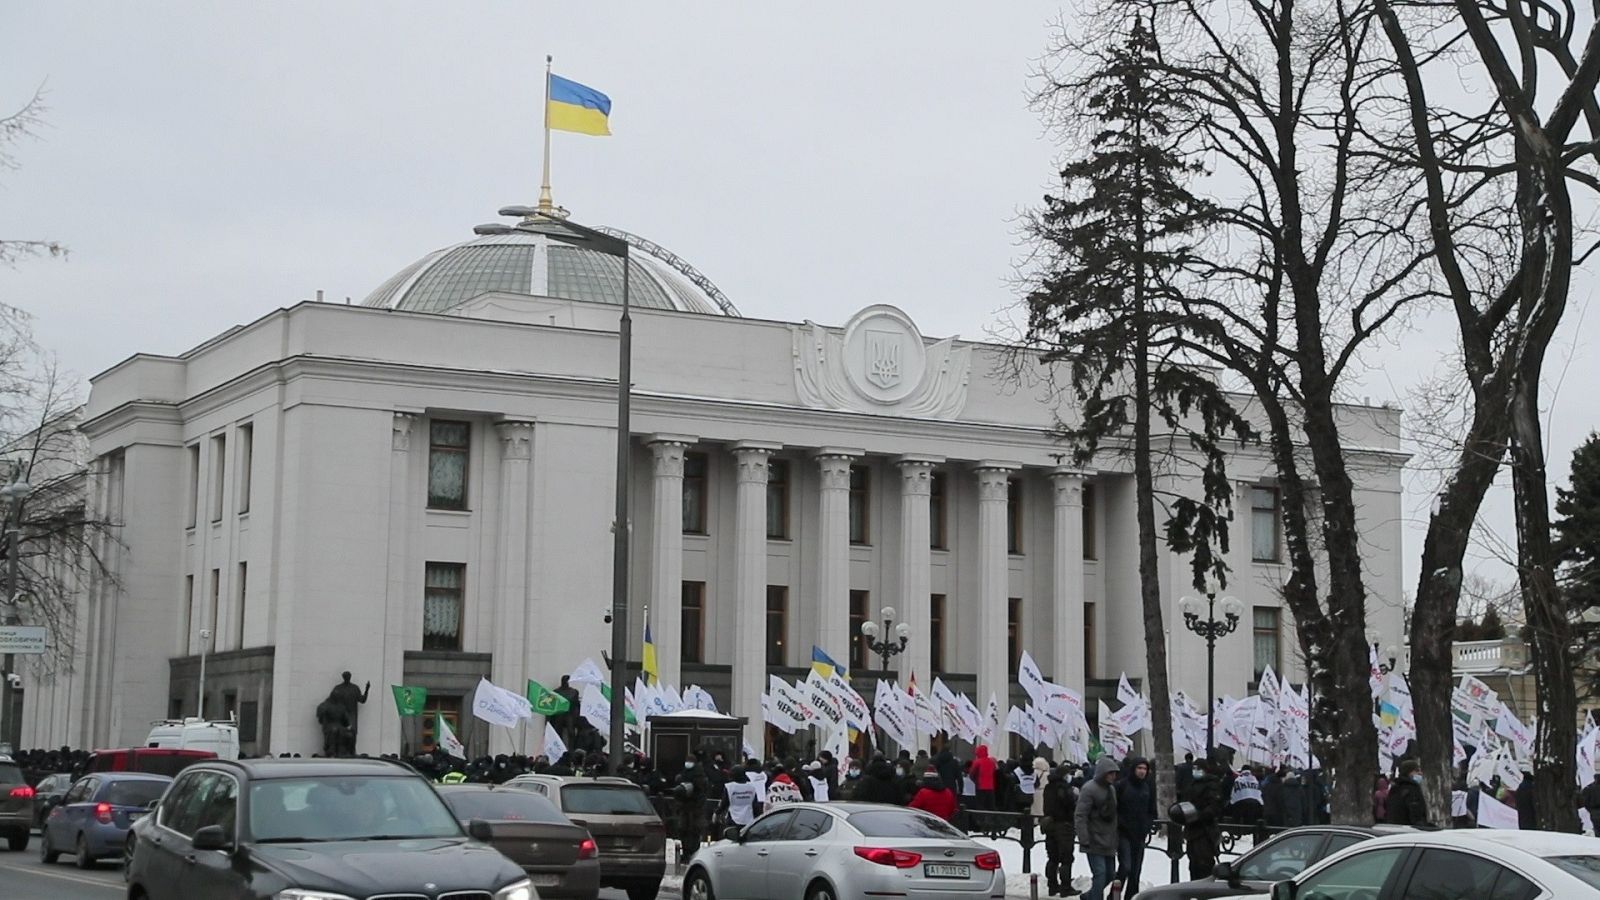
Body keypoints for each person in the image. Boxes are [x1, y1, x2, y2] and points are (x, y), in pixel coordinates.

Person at [1075, 756, 1120, 900]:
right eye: (1110, 773)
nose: (1113, 776)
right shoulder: (1089, 789)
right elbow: (1081, 814)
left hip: (1109, 839)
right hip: (1094, 838)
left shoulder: (1111, 789)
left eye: (1115, 773)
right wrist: (1084, 837)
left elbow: (1113, 813)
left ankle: (1089, 896)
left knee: (1110, 874)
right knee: (1100, 874)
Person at [1116, 758, 1156, 898]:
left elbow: (1151, 810)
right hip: (1124, 833)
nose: (1142, 771)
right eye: (1139, 768)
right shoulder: (1122, 785)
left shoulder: (1147, 787)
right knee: (1125, 866)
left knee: (1136, 871)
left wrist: (1147, 824)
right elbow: (1115, 808)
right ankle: (1114, 894)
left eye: (1145, 769)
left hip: (1139, 834)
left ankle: (1131, 896)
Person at [1182, 757, 1227, 881]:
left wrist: (1200, 815)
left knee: (1204, 864)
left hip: (1205, 831)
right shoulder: (1192, 784)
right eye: (1194, 768)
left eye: (1198, 769)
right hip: (1192, 829)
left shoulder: (1212, 784)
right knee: (1194, 864)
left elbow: (1214, 806)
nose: (1195, 771)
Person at [1043, 763, 1079, 898]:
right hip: (1063, 825)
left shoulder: (1048, 787)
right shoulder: (1064, 788)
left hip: (1049, 824)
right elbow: (1069, 804)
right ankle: (1065, 887)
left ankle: (1052, 886)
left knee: (1052, 857)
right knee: (1066, 858)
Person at [1384, 759, 1430, 826]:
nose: (1420, 773)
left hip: (1394, 828)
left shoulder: (1395, 788)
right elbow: (1415, 813)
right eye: (1417, 771)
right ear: (1408, 772)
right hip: (1410, 830)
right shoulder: (1412, 789)